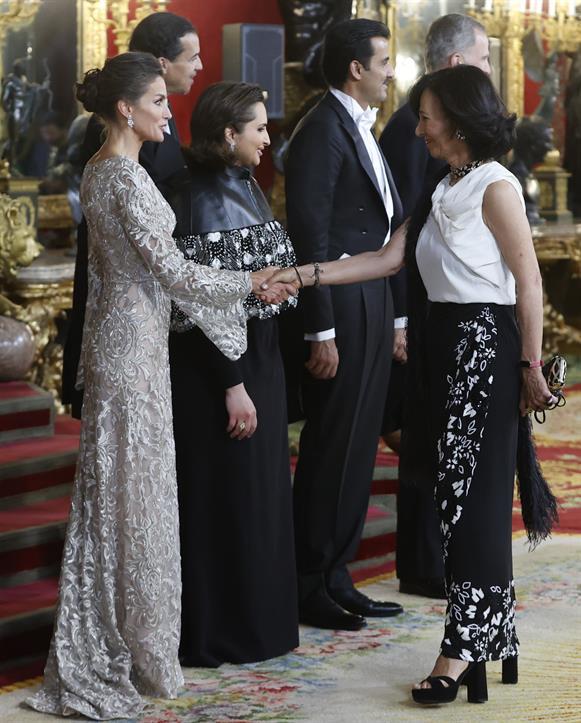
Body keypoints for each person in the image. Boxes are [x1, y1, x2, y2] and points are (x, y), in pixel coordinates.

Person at [268, 64, 556, 706]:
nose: (418, 125)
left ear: (455, 120)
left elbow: (528, 282)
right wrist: (303, 276)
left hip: (485, 347)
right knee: (453, 500)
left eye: (426, 115)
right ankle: (491, 636)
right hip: (441, 348)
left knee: (471, 503)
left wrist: (531, 367)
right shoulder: (440, 182)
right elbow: (389, 259)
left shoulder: (495, 186)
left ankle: (461, 651)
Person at [25, 52, 288, 720]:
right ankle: (125, 646)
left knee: (128, 498)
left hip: (129, 342)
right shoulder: (122, 178)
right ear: (125, 109)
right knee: (129, 502)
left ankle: (139, 642)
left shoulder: (106, 171)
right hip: (132, 349)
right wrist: (247, 282)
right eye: (158, 102)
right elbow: (174, 271)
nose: (169, 111)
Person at [167, 82, 299, 667]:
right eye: (259, 128)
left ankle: (258, 627)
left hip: (259, 361)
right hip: (221, 374)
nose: (268, 138)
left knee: (259, 498)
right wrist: (234, 384)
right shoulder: (196, 198)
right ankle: (220, 633)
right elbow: (197, 310)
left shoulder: (245, 182)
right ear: (229, 134)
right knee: (226, 502)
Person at [283, 17, 404, 632]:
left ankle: (337, 574)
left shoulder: (358, 124)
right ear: (357, 67)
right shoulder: (320, 129)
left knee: (360, 444)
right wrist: (319, 330)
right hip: (338, 304)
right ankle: (309, 580)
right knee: (334, 442)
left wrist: (398, 313)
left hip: (372, 295)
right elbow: (310, 234)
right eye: (384, 61)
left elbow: (384, 224)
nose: (391, 71)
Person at [379, 12, 491, 601]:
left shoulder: (476, 161)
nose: (491, 72)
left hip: (452, 309)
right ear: (455, 66)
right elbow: (396, 232)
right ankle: (426, 564)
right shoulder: (410, 129)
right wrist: (399, 319)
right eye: (485, 59)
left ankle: (443, 559)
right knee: (426, 434)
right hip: (421, 308)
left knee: (447, 437)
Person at [61, 11, 202, 418]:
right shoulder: (114, 151)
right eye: (192, 57)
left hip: (146, 304)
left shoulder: (150, 126)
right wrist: (250, 281)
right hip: (128, 304)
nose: (199, 66)